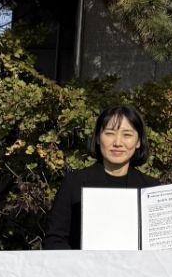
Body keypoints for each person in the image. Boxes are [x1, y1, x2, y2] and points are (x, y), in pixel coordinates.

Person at [44, 105, 159, 249]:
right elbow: (54, 239)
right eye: (109, 133)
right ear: (98, 138)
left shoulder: (151, 189)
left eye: (127, 135)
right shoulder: (74, 183)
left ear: (138, 142)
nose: (117, 143)